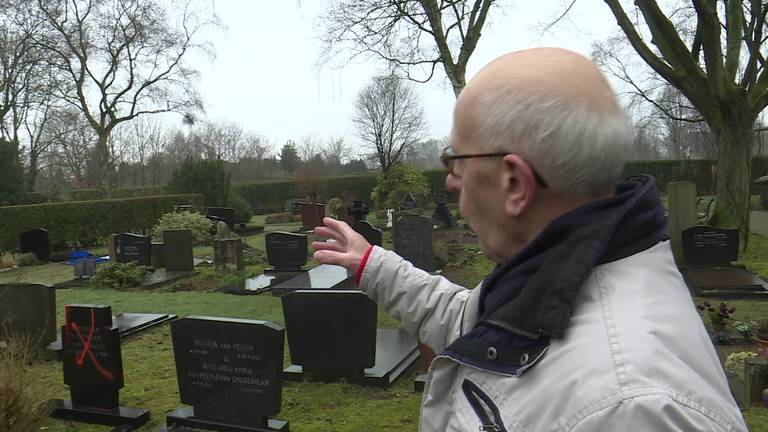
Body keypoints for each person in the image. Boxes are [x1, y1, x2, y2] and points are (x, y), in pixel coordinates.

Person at [312, 48, 747, 431]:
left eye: (458, 161)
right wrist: (371, 262)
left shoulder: (631, 408)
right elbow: (466, 318)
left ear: (515, 183)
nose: (450, 181)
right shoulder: (560, 274)